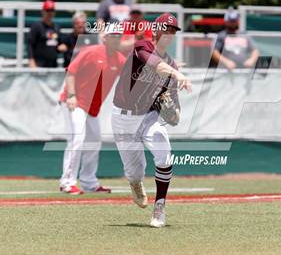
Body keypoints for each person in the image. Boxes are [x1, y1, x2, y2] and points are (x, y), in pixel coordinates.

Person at [111, 13, 191, 227]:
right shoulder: (141, 47)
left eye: (173, 31)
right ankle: (136, 183)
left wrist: (172, 111)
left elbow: (175, 115)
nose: (169, 34)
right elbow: (154, 63)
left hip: (149, 116)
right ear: (156, 29)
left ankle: (160, 207)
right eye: (166, 28)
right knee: (135, 171)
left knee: (165, 156)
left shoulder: (172, 64)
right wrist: (177, 73)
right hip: (123, 117)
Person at [59, 25, 126, 195]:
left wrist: (167, 67)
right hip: (74, 101)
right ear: (104, 38)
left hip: (92, 107)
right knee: (78, 139)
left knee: (95, 141)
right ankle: (67, 182)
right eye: (113, 35)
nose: (116, 38)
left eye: (119, 36)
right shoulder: (91, 52)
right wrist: (71, 95)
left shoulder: (119, 59)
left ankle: (89, 182)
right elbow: (71, 72)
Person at [28, 0, 67, 68]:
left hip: (53, 65)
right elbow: (30, 45)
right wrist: (31, 61)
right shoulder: (36, 26)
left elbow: (59, 44)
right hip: (39, 65)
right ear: (43, 11)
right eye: (47, 10)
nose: (50, 13)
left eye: (52, 10)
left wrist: (62, 46)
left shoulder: (56, 27)